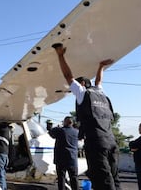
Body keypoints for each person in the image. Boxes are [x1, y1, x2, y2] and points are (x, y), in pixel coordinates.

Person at [53, 43, 122, 190]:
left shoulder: (83, 92)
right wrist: (101, 66)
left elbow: (68, 76)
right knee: (114, 179)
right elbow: (99, 81)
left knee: (103, 182)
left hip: (96, 143)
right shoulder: (100, 93)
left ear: (83, 83)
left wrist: (60, 56)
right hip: (111, 142)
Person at [49, 116, 79, 190]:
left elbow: (51, 132)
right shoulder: (76, 132)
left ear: (65, 122)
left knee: (61, 178)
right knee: (74, 178)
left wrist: (54, 126)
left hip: (61, 158)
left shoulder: (60, 130)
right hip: (72, 158)